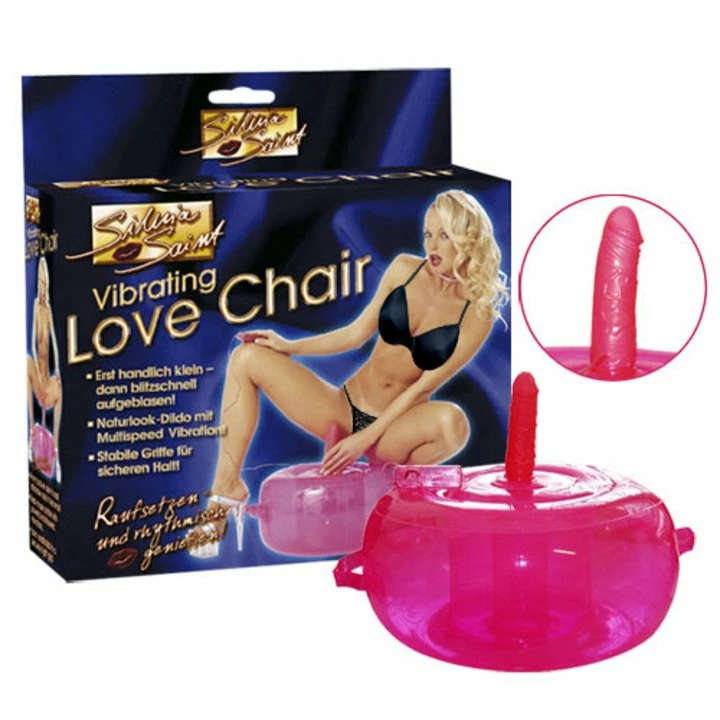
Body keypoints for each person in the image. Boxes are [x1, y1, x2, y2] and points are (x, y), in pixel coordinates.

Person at [188, 190, 508, 553]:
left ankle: (391, 490)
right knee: (247, 357)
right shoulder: (404, 269)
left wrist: (366, 438)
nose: (432, 244)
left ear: (466, 238)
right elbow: (355, 335)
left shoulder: (477, 312)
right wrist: (289, 346)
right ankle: (225, 490)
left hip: (391, 434)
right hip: (342, 409)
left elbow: (421, 388)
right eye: (428, 233)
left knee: (453, 424)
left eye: (444, 235)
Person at [27, 257, 62, 481]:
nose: (41, 287)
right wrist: (39, 374)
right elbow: (32, 341)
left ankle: (55, 448)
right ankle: (31, 430)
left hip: (47, 372)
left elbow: (55, 344)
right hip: (38, 372)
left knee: (60, 392)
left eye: (44, 283)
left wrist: (56, 370)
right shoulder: (35, 308)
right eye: (39, 282)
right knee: (25, 362)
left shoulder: (48, 310)